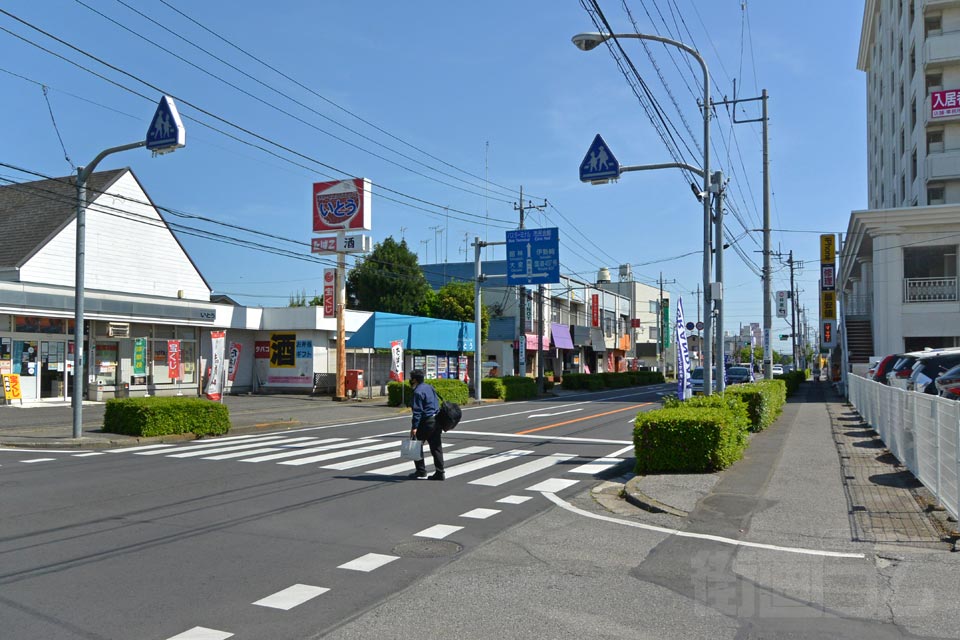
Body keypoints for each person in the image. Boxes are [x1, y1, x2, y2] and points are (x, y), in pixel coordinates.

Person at [408, 369, 444, 481]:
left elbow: (417, 411)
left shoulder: (418, 392)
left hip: (426, 422)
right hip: (436, 420)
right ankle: (440, 472)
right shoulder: (429, 387)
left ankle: (421, 470)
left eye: (411, 378)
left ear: (414, 379)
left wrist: (414, 427)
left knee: (416, 445)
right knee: (436, 447)